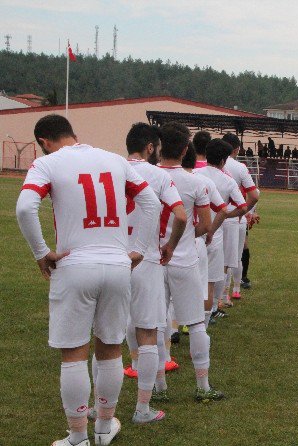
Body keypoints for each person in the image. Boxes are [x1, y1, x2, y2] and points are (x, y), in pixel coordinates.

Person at [16, 114, 161, 446]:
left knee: (73, 354)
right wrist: (138, 248)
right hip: (117, 264)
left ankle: (78, 436)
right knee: (110, 349)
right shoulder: (113, 160)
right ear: (74, 134)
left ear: (43, 142)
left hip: (75, 264)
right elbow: (150, 202)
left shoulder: (47, 164)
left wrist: (41, 251)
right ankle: (104, 427)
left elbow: (25, 209)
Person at [123, 123, 187, 424]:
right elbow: (181, 215)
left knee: (106, 335)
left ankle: (99, 407)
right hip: (146, 257)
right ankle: (143, 407)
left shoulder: (112, 169)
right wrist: (170, 246)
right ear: (150, 147)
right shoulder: (158, 174)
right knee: (149, 330)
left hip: (112, 256)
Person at [157, 122, 225, 402]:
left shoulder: (145, 176)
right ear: (186, 149)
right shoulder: (196, 182)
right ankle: (203, 386)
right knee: (196, 323)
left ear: (159, 148)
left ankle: (158, 388)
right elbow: (206, 225)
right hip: (184, 258)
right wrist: (182, 238)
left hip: (153, 259)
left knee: (156, 323)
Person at [194, 138, 248, 322]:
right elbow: (242, 207)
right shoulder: (228, 181)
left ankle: (181, 323)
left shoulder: (194, 173)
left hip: (194, 232)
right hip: (214, 233)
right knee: (210, 281)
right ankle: (206, 319)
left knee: (191, 278)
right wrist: (225, 215)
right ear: (224, 160)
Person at [221, 133, 260, 302]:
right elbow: (255, 193)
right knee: (234, 257)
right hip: (235, 217)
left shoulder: (212, 165)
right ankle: (234, 290)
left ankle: (220, 297)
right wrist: (246, 212)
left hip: (215, 215)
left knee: (219, 259)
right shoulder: (239, 167)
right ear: (236, 149)